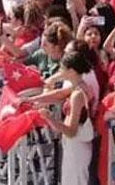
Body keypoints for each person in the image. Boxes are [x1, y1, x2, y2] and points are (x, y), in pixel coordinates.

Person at [38, 46, 95, 185]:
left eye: (62, 69)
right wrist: (33, 100)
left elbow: (71, 131)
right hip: (74, 146)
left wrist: (50, 118)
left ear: (71, 71)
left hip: (77, 147)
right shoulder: (79, 86)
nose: (60, 72)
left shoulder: (78, 94)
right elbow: (59, 94)